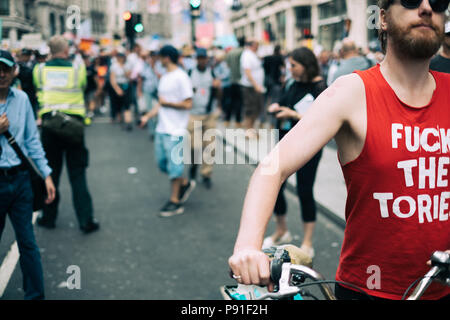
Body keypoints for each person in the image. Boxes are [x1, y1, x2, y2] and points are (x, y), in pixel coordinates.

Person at [228, 0, 450, 300]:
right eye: (411, 0)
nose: (426, 8)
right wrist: (246, 247)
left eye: (438, 2)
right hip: (367, 290)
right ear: (382, 18)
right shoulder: (351, 92)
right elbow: (273, 167)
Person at [0, 50, 56, 299]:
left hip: (21, 180)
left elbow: (32, 141)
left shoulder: (21, 99)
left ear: (14, 71)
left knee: (28, 244)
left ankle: (35, 296)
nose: (1, 74)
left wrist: (46, 173)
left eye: (6, 68)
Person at [263, 47, 327, 260]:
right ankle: (282, 230)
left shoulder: (320, 86)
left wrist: (293, 114)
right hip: (284, 140)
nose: (289, 69)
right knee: (275, 186)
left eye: (293, 65)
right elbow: (284, 102)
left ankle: (307, 241)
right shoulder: (291, 83)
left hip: (308, 146)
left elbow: (322, 122)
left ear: (305, 65)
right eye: (289, 65)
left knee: (304, 190)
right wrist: (277, 107)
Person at [33, 35, 99, 234]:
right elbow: (85, 87)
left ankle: (49, 217)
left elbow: (37, 89)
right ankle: (86, 220)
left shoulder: (40, 70)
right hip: (73, 127)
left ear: (50, 51)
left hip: (50, 127)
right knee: (77, 175)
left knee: (51, 174)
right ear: (66, 50)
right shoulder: (78, 69)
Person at [139, 45, 196, 217]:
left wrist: (168, 104)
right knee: (162, 164)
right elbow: (160, 103)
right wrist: (147, 116)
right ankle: (184, 183)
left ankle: (174, 201)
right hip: (162, 128)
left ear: (167, 58)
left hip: (176, 130)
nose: (157, 60)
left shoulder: (181, 77)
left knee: (175, 168)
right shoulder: (164, 77)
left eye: (160, 56)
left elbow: (188, 103)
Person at [187, 48, 221, 189]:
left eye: (204, 58)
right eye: (199, 58)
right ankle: (194, 165)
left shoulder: (212, 73)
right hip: (194, 114)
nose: (202, 60)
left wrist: (218, 88)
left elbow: (219, 95)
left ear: (207, 59)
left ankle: (206, 174)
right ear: (196, 59)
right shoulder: (190, 73)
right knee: (195, 146)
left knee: (210, 147)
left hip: (209, 115)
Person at [240, 39, 265, 138]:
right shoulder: (247, 55)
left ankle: (251, 129)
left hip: (255, 87)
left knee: (256, 109)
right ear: (252, 45)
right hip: (250, 87)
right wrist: (255, 85)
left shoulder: (252, 54)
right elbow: (247, 71)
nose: (258, 47)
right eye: (257, 45)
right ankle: (248, 130)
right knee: (250, 109)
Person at [224, 37, 245, 128]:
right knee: (239, 102)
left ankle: (227, 119)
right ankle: (237, 121)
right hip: (240, 80)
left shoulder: (231, 52)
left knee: (230, 100)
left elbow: (227, 65)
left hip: (231, 79)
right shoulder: (243, 52)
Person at [109, 50, 132, 130]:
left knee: (127, 104)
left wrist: (124, 68)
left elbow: (129, 76)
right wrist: (117, 89)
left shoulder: (127, 65)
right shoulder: (114, 66)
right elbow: (112, 79)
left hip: (126, 85)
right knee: (117, 104)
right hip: (117, 85)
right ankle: (119, 118)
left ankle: (128, 122)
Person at [16, 48, 39, 118]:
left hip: (32, 90)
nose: (24, 57)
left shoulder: (34, 64)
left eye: (26, 55)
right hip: (23, 89)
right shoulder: (19, 65)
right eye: (24, 55)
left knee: (32, 109)